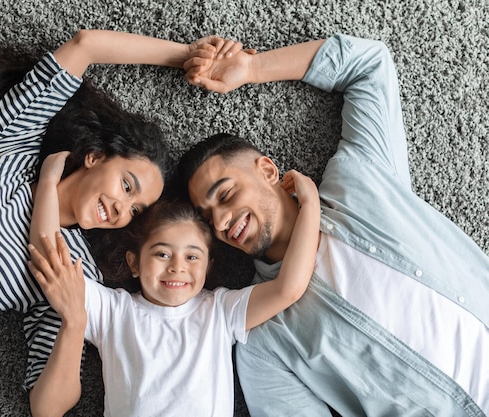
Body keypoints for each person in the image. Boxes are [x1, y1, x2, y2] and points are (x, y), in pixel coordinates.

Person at [0, 29, 244, 416]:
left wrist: (75, 322)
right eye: (127, 186)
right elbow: (85, 46)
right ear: (96, 157)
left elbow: (48, 407)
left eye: (134, 211)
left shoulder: (71, 266)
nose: (121, 209)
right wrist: (188, 55)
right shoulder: (9, 149)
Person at [179, 34, 489, 416]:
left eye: (225, 196)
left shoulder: (358, 181)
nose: (222, 222)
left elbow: (370, 65)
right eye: (209, 218)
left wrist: (254, 68)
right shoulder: (262, 338)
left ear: (268, 170)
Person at [26, 165, 321, 416]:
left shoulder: (220, 310)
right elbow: (51, 261)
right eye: (162, 254)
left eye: (192, 257)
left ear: (207, 267)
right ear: (134, 263)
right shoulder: (113, 310)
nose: (177, 268)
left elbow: (288, 288)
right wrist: (48, 185)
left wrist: (309, 206)